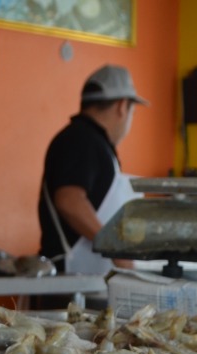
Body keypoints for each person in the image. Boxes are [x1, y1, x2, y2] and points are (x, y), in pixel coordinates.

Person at [38, 64, 147, 275]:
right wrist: (114, 248)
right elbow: (69, 201)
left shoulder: (91, 141)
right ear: (122, 107)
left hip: (86, 280)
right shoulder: (82, 140)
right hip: (69, 283)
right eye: (132, 112)